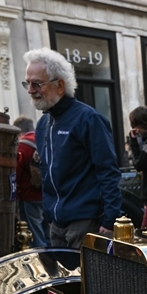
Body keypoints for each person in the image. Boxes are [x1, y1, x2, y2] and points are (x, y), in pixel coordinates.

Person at [24, 48, 121, 248]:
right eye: (28, 83)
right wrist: (49, 215)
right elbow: (46, 173)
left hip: (86, 223)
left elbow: (108, 171)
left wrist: (110, 220)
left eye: (37, 83)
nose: (30, 90)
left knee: (85, 271)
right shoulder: (43, 124)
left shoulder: (88, 119)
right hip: (56, 225)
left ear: (60, 86)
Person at [12, 115, 48, 248]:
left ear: (18, 133)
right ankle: (52, 257)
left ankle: (40, 258)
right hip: (49, 195)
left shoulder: (21, 147)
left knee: (35, 235)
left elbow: (17, 174)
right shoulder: (44, 140)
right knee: (48, 233)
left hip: (29, 196)